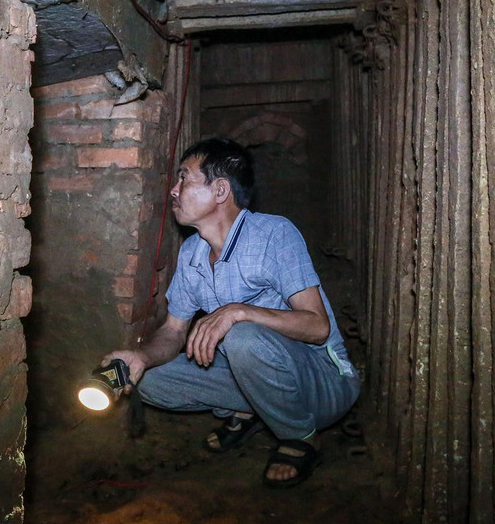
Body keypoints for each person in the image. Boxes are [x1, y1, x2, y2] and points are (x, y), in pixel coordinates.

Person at [104, 137, 358, 488]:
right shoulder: (192, 253)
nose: (174, 191)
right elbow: (174, 332)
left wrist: (239, 311)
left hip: (324, 383)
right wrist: (140, 356)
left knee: (242, 336)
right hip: (251, 373)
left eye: (184, 179)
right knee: (147, 377)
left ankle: (300, 435)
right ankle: (253, 409)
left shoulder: (273, 234)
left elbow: (317, 327)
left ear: (220, 190)